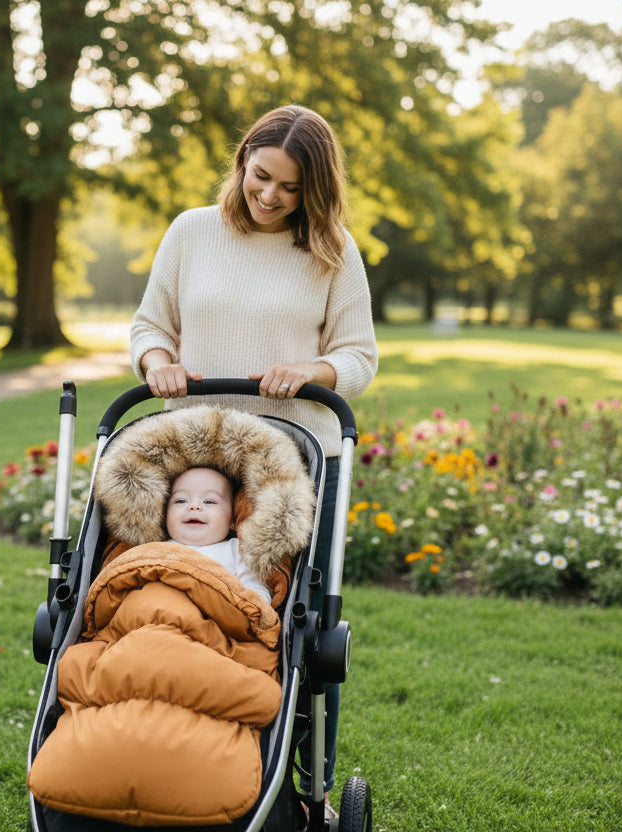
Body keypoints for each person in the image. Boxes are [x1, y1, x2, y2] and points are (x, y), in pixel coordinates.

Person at [129, 103, 379, 818]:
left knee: (294, 631)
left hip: (294, 472)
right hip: (198, 461)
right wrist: (157, 361)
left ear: (315, 191)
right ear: (242, 161)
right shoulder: (191, 232)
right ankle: (158, 752)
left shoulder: (331, 249)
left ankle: (301, 789)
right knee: (180, 610)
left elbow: (358, 357)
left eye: (291, 188)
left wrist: (314, 370)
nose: (270, 196)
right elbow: (152, 324)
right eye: (260, 176)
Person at [165, 466, 270, 604]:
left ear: (232, 519)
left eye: (209, 501)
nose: (194, 506)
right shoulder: (158, 548)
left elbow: (255, 590)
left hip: (212, 616)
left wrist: (256, 605)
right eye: (181, 501)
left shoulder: (236, 551)